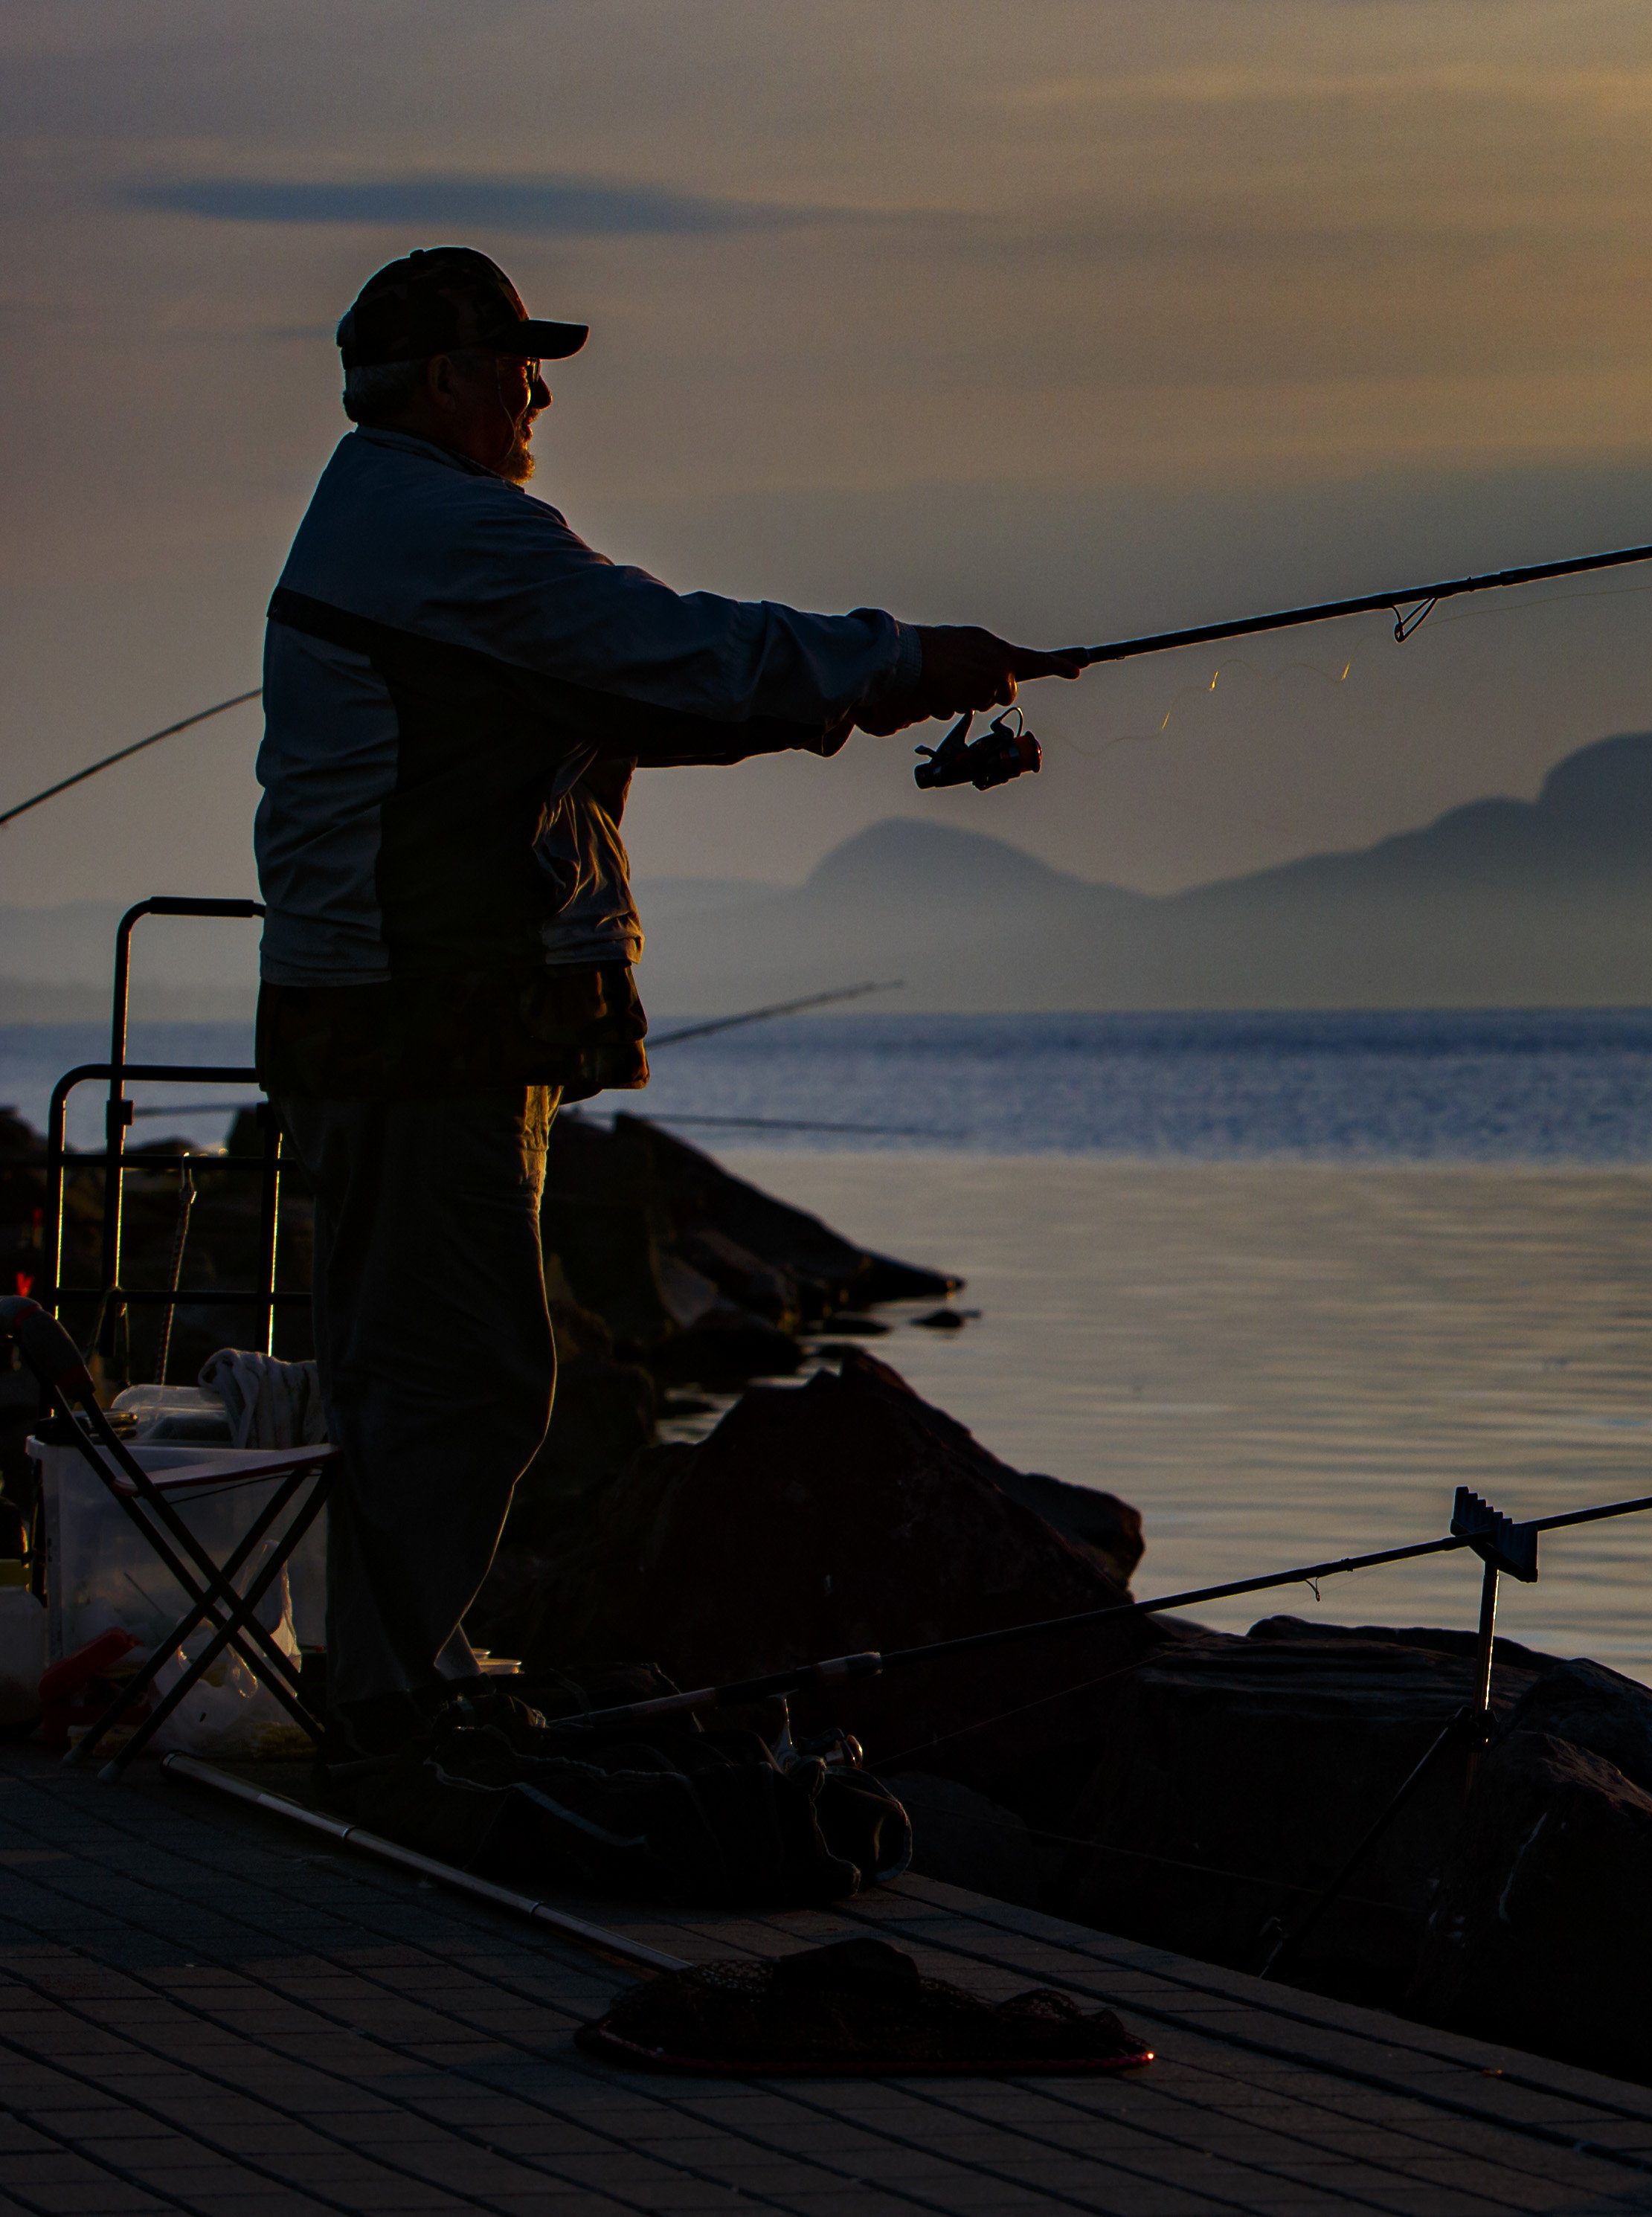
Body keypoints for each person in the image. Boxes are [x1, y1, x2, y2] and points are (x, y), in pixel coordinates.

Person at [254, 245, 1074, 1754]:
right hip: (417, 1023)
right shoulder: (450, 533)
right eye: (517, 366)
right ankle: (396, 1707)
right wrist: (902, 658)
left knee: (412, 1373)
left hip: (411, 1020)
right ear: (446, 381)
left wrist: (860, 691)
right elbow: (672, 648)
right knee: (470, 1375)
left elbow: (646, 695)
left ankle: (392, 1674)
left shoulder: (394, 526)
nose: (539, 391)